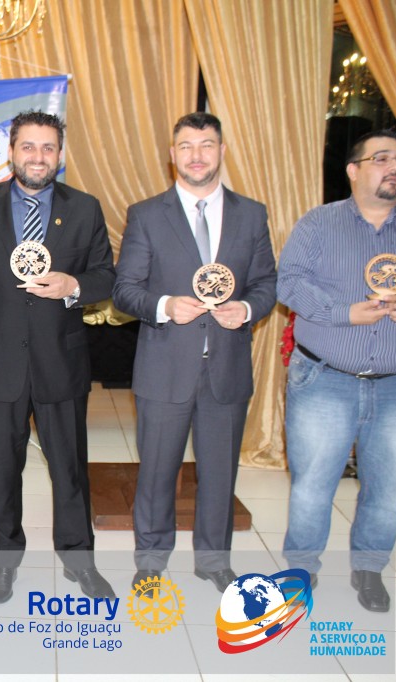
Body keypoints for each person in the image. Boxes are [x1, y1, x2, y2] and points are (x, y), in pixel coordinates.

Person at [112, 112, 277, 593]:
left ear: (222, 151)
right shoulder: (147, 214)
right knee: (156, 472)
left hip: (226, 366)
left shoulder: (252, 214)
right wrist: (165, 305)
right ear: (172, 155)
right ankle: (151, 561)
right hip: (165, 366)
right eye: (186, 146)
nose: (196, 155)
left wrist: (246, 308)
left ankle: (213, 561)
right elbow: (125, 290)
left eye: (206, 145)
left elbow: (267, 283)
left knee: (220, 475)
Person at [0, 111, 116, 603]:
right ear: (11, 151)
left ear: (60, 155)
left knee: (70, 470)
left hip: (60, 361)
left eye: (48, 147)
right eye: (28, 146)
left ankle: (79, 561)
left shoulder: (85, 208)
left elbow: (106, 276)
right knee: (1, 470)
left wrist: (74, 285)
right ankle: (3, 563)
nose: (38, 157)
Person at [279, 130, 396, 612]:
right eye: (381, 159)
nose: (394, 167)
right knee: (312, 486)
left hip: (395, 386)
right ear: (353, 170)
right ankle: (301, 571)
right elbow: (289, 282)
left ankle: (369, 570)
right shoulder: (319, 223)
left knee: (389, 488)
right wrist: (343, 313)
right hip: (324, 380)